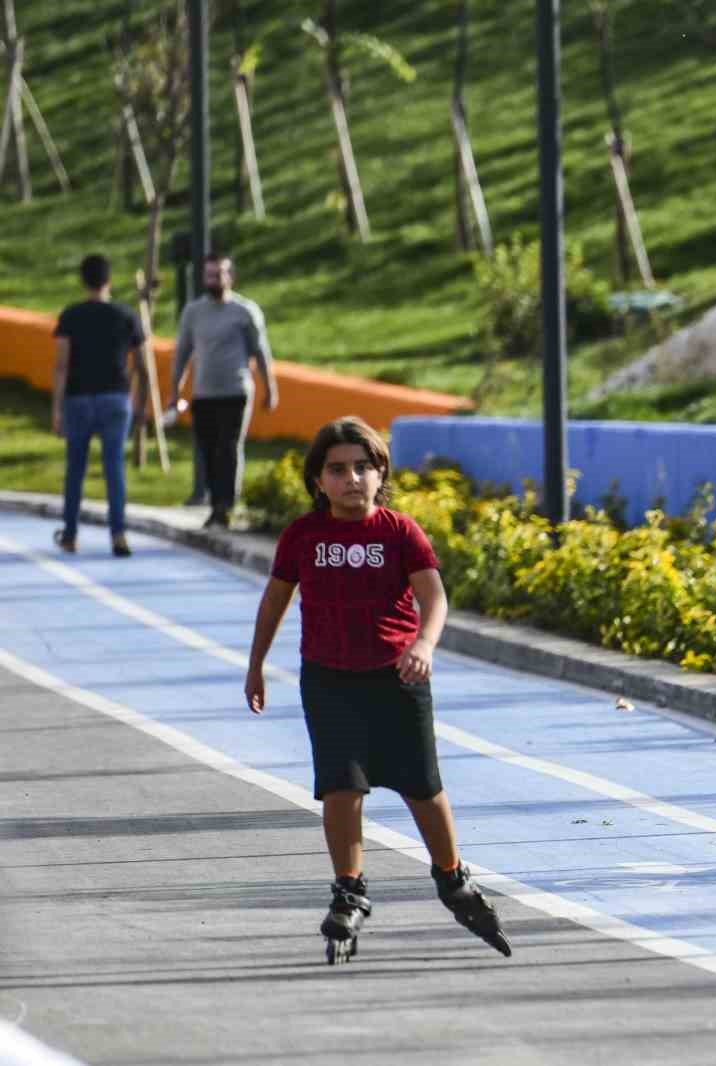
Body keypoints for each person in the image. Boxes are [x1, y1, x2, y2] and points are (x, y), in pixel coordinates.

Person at [243, 416, 511, 959]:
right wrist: (256, 665)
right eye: (337, 469)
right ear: (318, 480)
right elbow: (274, 601)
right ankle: (349, 888)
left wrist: (424, 644)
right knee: (341, 787)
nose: (352, 479)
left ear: (381, 472)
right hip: (329, 680)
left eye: (363, 467)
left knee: (422, 786)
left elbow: (434, 598)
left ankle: (452, 876)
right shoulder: (303, 536)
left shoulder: (399, 532)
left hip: (397, 678)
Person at [171, 254, 279, 530]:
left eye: (219, 274)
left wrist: (270, 388)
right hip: (203, 393)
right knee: (207, 450)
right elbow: (182, 353)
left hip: (236, 390)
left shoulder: (245, 311)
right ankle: (215, 503)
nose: (214, 280)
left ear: (230, 277)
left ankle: (225, 507)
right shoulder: (193, 312)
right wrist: (175, 391)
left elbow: (261, 352)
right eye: (209, 275)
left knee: (229, 448)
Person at [50, 253, 148, 558]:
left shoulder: (70, 316)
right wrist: (140, 404)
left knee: (75, 468)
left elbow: (61, 366)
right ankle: (118, 534)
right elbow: (143, 366)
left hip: (78, 399)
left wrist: (56, 410)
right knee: (114, 467)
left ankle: (70, 535)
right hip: (116, 399)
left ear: (83, 281)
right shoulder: (126, 315)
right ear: (109, 281)